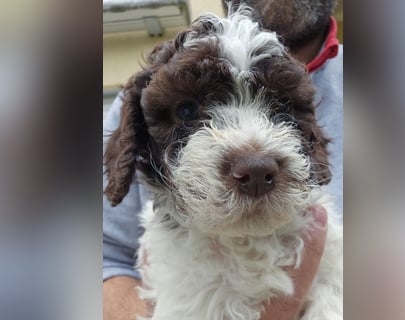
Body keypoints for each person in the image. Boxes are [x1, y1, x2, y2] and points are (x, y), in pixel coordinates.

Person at [103, 1, 342, 319]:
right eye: (188, 112)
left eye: (281, 110)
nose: (255, 155)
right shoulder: (140, 97)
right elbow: (103, 258)